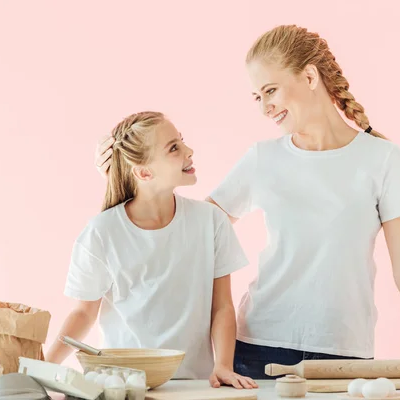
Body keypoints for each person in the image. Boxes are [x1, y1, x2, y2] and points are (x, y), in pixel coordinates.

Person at [94, 25, 400, 379]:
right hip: (258, 348)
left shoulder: (382, 159)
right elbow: (194, 229)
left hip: (345, 354)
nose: (265, 107)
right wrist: (128, 176)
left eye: (270, 90)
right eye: (257, 97)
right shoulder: (262, 159)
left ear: (310, 77)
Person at [47, 111, 257, 389]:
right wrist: (45, 367)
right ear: (144, 172)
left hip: (190, 386)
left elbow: (222, 308)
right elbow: (84, 314)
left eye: (181, 141)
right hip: (121, 385)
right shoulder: (102, 232)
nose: (189, 151)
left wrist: (223, 366)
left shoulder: (210, 221)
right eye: (174, 148)